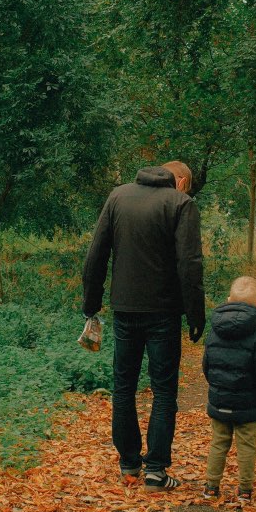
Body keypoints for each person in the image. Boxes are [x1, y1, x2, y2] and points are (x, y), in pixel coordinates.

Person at [82, 160, 205, 490]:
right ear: (178, 180)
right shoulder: (181, 204)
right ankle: (156, 471)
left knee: (124, 387)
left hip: (124, 309)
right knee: (164, 390)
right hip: (164, 311)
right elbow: (189, 263)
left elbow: (96, 253)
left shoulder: (118, 196)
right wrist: (196, 314)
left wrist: (90, 304)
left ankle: (129, 465)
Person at [202, 275, 256, 505]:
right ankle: (244, 490)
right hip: (248, 404)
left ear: (229, 300)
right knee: (246, 446)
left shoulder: (214, 331)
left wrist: (217, 385)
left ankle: (211, 487)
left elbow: (207, 365)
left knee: (219, 442)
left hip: (219, 399)